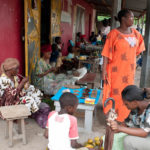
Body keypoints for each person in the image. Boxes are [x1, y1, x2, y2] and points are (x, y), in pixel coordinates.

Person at [102, 9, 145, 122]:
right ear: (123, 19)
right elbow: (106, 53)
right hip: (116, 71)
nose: (132, 19)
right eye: (130, 17)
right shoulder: (113, 34)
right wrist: (103, 70)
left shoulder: (136, 34)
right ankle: (112, 116)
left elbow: (138, 50)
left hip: (129, 72)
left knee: (128, 93)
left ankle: (123, 117)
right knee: (115, 93)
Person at [109, 85, 150, 150]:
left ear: (134, 102)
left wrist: (119, 128)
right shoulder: (135, 109)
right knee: (116, 137)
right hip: (146, 133)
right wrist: (113, 126)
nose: (126, 106)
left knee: (128, 141)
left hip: (146, 134)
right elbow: (126, 124)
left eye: (126, 104)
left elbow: (144, 132)